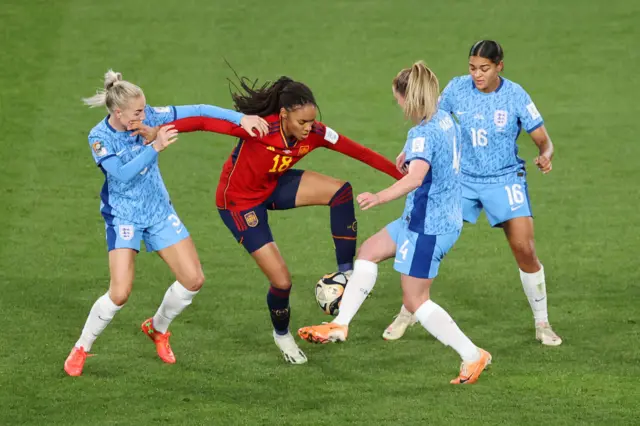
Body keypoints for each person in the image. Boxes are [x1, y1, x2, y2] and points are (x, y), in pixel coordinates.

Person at [134, 75, 404, 364]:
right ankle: (282, 335)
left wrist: (406, 179)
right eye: (302, 122)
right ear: (284, 115)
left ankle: (346, 273)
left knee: (341, 192)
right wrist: (157, 131)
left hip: (273, 186)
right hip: (238, 203)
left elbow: (360, 152)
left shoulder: (315, 134)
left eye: (312, 121)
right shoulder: (260, 129)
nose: (308, 128)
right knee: (282, 282)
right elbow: (202, 122)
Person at [298, 61, 492, 385]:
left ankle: (473, 355)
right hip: (426, 218)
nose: (398, 104)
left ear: (409, 97)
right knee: (369, 252)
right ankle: (341, 324)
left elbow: (414, 179)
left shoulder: (422, 133)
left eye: (398, 98)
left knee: (416, 301)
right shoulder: (443, 119)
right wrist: (408, 151)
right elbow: (423, 157)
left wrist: (379, 197)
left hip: (428, 228)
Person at [63, 70, 268, 376]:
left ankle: (157, 328)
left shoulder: (151, 117)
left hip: (158, 211)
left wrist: (241, 119)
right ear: (118, 113)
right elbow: (121, 174)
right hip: (125, 217)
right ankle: (81, 347)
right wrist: (155, 146)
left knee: (193, 280)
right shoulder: (99, 138)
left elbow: (199, 112)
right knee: (119, 293)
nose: (143, 116)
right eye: (137, 112)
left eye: (144, 109)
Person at [384, 40, 562, 346]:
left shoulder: (516, 96)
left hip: (504, 179)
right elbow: (429, 118)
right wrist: (408, 149)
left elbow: (544, 140)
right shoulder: (456, 89)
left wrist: (545, 154)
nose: (477, 74)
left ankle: (542, 322)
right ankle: (409, 308)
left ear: (499, 67)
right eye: (472, 68)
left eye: (484, 68)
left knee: (525, 248)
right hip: (460, 180)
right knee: (426, 235)